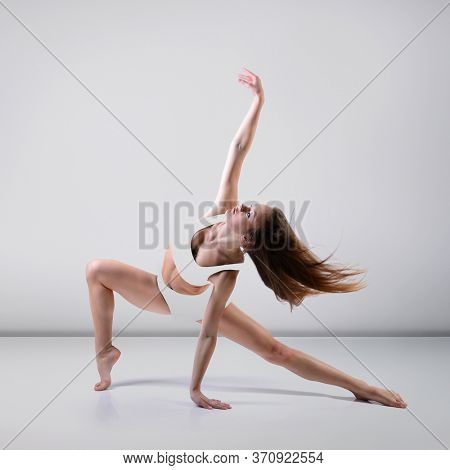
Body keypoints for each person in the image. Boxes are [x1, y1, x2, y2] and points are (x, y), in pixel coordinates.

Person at [85, 67, 407, 410]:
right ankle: (105, 353)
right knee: (95, 271)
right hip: (158, 289)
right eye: (251, 205)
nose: (243, 206)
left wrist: (195, 390)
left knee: (277, 352)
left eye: (250, 215)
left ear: (250, 241)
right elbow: (237, 149)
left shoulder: (225, 275)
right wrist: (258, 100)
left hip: (186, 303)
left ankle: (361, 387)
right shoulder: (220, 210)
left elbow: (208, 334)